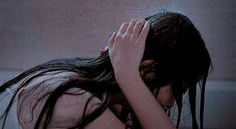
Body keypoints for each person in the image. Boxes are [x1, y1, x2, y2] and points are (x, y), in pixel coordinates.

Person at [0, 10, 212, 129]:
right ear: (147, 69)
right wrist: (128, 75)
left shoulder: (113, 106)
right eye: (177, 91)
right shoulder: (69, 99)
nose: (173, 102)